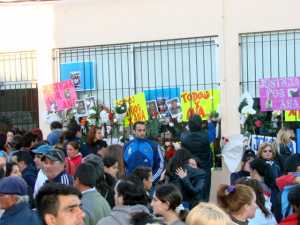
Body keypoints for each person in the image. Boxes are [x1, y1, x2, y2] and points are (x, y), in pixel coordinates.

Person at [180, 114, 212, 201]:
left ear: (189, 125)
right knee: (204, 195)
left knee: (192, 194)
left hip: (191, 170)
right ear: (201, 124)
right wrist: (210, 121)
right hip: (205, 169)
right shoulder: (206, 136)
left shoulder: (184, 137)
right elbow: (213, 132)